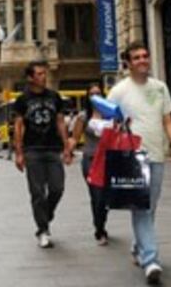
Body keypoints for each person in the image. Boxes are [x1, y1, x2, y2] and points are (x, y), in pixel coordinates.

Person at [108, 42, 171, 285]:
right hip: (132, 157)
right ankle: (151, 259)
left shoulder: (160, 87)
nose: (143, 60)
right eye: (137, 57)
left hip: (157, 154)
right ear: (128, 63)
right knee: (141, 207)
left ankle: (138, 245)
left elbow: (168, 122)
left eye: (145, 56)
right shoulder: (119, 91)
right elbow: (104, 122)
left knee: (150, 205)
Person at [13, 61, 74, 249]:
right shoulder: (22, 100)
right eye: (39, 74)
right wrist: (19, 152)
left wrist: (67, 147)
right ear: (30, 77)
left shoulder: (55, 97)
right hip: (33, 150)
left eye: (44, 73)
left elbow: (60, 122)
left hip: (53, 148)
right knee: (37, 192)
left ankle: (45, 215)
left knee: (57, 188)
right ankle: (42, 230)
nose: (43, 77)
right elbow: (18, 126)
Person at [69, 84, 110, 246]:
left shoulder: (110, 114)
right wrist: (68, 152)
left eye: (98, 93)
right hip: (91, 160)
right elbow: (75, 137)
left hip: (109, 160)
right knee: (96, 196)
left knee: (106, 197)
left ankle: (102, 222)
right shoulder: (83, 117)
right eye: (92, 94)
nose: (95, 97)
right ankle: (99, 229)